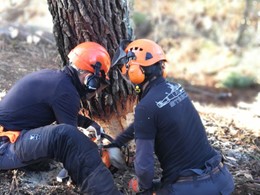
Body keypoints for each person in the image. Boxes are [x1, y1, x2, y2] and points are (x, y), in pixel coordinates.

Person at [109, 39, 235, 194]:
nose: (126, 76)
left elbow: (144, 166)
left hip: (191, 189)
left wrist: (144, 188)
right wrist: (118, 142)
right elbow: (146, 123)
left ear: (136, 72)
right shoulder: (175, 89)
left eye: (126, 71)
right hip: (222, 180)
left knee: (142, 186)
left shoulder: (146, 107)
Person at [0, 41, 121, 194]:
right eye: (98, 84)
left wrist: (88, 123)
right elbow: (70, 141)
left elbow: (61, 112)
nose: (96, 91)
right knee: (66, 137)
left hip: (9, 138)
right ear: (90, 79)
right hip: (4, 146)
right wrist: (96, 152)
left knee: (62, 138)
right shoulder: (66, 92)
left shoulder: (56, 80)